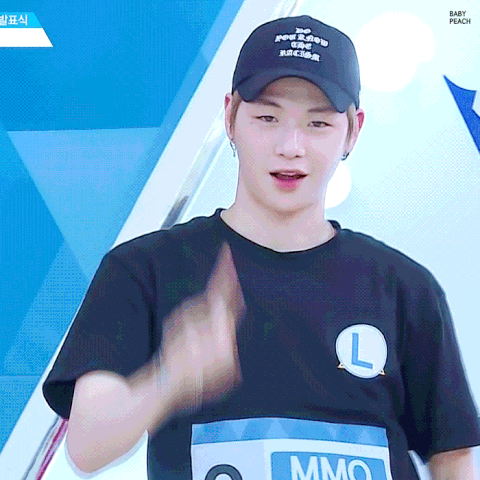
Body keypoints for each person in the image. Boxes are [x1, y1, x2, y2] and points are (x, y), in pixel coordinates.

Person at [42, 15, 480, 480]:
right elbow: (86, 447)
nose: (290, 146)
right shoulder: (143, 268)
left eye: (318, 123)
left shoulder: (404, 288)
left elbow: (453, 456)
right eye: (268, 118)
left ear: (353, 131)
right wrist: (170, 377)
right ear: (230, 116)